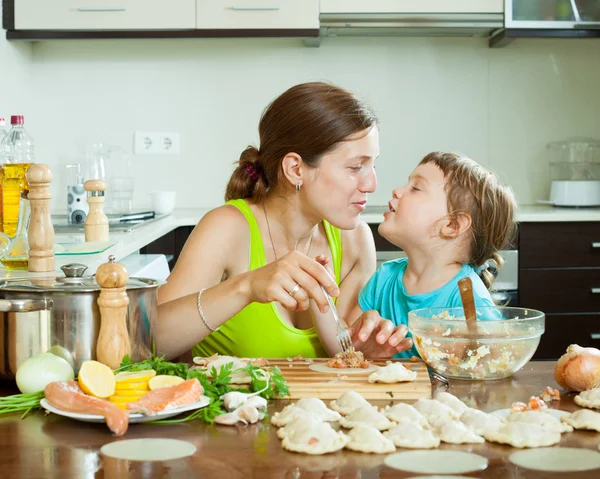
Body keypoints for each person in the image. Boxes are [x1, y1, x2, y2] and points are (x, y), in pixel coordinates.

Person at [156, 82, 413, 360]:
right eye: (355, 167)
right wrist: (247, 287)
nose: (372, 183)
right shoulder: (227, 229)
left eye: (373, 164)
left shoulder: (355, 240)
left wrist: (366, 351)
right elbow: (148, 344)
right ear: (295, 169)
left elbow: (345, 349)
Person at [356, 151, 517, 358]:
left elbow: (493, 363)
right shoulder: (384, 277)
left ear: (452, 225)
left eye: (415, 188)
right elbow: (349, 349)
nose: (397, 191)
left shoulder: (468, 297)